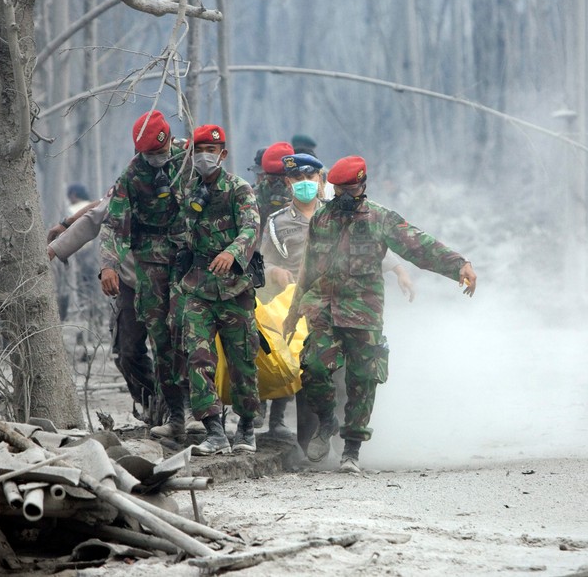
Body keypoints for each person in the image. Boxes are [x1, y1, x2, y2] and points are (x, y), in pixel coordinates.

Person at [283, 156, 477, 475]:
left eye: (350, 189)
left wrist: (458, 265)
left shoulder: (380, 218)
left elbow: (420, 246)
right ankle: (327, 420)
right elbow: (308, 267)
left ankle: (352, 449)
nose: (344, 196)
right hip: (324, 309)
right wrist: (293, 313)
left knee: (363, 381)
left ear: (362, 186)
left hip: (363, 313)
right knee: (313, 368)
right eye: (339, 190)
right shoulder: (322, 219)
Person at [257, 153, 415, 444]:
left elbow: (371, 246)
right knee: (309, 369)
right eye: (297, 179)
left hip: (345, 303)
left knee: (349, 375)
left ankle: (350, 442)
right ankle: (310, 442)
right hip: (300, 301)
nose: (304, 183)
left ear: (321, 180)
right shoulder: (277, 223)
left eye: (310, 177)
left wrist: (399, 270)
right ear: (288, 183)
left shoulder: (338, 213)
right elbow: (259, 262)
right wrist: (275, 272)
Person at [174, 124, 262, 456]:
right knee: (197, 358)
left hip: (235, 288)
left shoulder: (239, 189)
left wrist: (232, 253)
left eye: (210, 152)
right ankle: (214, 429)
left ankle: (247, 426)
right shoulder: (188, 192)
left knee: (243, 361)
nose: (204, 158)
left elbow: (251, 228)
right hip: (198, 287)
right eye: (198, 152)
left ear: (222, 155)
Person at [106, 110, 189, 440]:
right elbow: (114, 224)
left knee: (194, 337)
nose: (155, 160)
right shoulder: (131, 175)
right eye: (148, 155)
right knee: (161, 340)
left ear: (168, 140)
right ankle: (174, 413)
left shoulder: (190, 159)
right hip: (151, 266)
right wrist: (108, 265)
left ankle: (206, 413)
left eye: (158, 152)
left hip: (191, 259)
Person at [47, 196, 156, 422]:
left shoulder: (180, 182)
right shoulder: (130, 182)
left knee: (172, 352)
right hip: (129, 280)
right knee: (126, 352)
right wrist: (56, 247)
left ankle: (182, 410)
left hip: (167, 282)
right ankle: (151, 402)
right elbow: (96, 213)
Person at [254, 141, 294, 228]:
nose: (278, 183)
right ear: (265, 176)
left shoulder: (300, 192)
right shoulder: (254, 195)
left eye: (284, 178)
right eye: (273, 178)